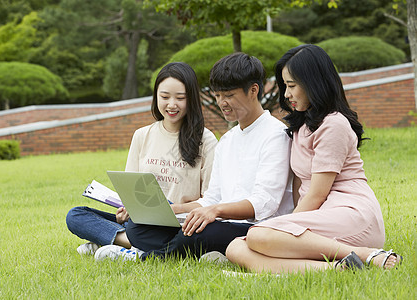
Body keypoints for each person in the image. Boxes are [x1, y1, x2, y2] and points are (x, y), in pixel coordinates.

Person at [93, 52, 294, 262]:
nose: (221, 102)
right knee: (140, 226)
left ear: (253, 90)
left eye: (229, 95)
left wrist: (214, 211)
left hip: (256, 227)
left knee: (198, 234)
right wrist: (172, 211)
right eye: (217, 96)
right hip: (219, 221)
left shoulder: (275, 135)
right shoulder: (227, 140)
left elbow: (264, 203)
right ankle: (209, 254)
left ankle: (143, 257)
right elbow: (211, 198)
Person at [225, 44, 403, 273]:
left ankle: (365, 254)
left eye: (291, 86)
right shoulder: (302, 126)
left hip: (351, 214)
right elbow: (301, 189)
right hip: (320, 216)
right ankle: (337, 268)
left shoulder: (334, 124)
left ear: (313, 83)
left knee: (259, 235)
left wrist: (285, 227)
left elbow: (317, 194)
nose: (286, 94)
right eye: (285, 86)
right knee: (235, 248)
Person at [66, 62, 218, 255]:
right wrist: (126, 210)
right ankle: (129, 243)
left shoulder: (206, 140)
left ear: (192, 100)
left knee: (175, 223)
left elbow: (211, 200)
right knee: (76, 215)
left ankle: (118, 242)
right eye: (164, 97)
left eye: (180, 98)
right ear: (156, 97)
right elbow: (131, 191)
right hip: (142, 221)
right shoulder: (142, 135)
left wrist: (174, 209)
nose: (172, 105)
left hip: (182, 222)